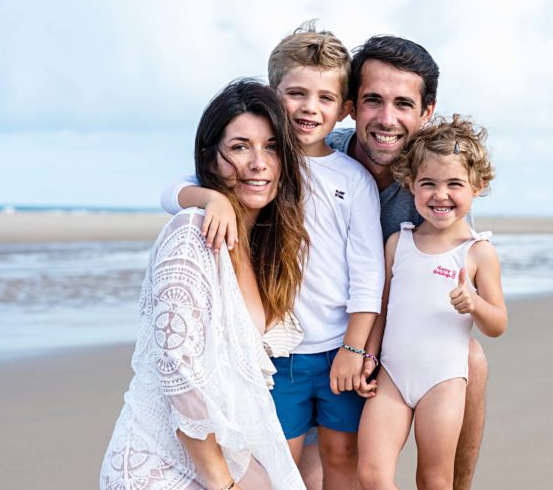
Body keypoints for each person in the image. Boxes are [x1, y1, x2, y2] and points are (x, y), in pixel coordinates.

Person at [169, 33, 492, 490]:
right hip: (297, 338)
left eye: (403, 104)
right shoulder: (295, 151)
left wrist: (365, 350)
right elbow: (194, 183)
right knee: (299, 472)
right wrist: (208, 199)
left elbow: (434, 297)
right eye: (372, 100)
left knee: (468, 358)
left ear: (426, 112)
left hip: (380, 336)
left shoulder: (436, 186)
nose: (385, 118)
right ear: (352, 106)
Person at [160, 24, 385, 490]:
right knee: (278, 461)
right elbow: (170, 192)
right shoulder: (260, 167)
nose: (309, 107)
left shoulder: (353, 179)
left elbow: (368, 275)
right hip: (276, 354)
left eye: (325, 98)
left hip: (337, 348)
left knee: (342, 455)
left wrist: (353, 348)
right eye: (296, 93)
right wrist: (212, 199)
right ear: (271, 94)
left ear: (344, 108)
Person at [100, 79, 310, 490]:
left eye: (271, 147)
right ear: (210, 159)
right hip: (161, 465)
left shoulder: (258, 245)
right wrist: (221, 482)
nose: (258, 163)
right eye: (239, 147)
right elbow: (177, 369)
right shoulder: (190, 234)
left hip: (220, 457)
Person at [357, 114, 508, 490]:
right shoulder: (398, 243)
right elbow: (383, 310)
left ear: (479, 185)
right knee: (371, 475)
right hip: (391, 377)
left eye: (454, 184)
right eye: (428, 184)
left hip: (443, 381)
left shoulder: (478, 252)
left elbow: (498, 324)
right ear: (410, 184)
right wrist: (368, 356)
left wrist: (474, 303)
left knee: (434, 479)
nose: (440, 195)